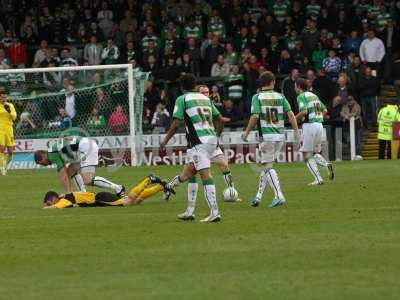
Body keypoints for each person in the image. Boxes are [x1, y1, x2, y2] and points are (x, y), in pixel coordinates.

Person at [160, 74, 225, 223]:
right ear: (195, 85)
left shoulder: (182, 99)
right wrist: (217, 137)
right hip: (210, 141)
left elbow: (176, 124)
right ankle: (189, 211)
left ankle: (215, 212)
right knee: (188, 173)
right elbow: (220, 119)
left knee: (205, 175)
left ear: (181, 87)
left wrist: (165, 140)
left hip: (198, 142)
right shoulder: (206, 99)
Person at [241, 71, 299, 208]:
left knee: (267, 166)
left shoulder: (257, 97)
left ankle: (279, 195)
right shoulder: (280, 96)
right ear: (273, 82)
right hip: (280, 135)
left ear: (261, 84)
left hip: (267, 136)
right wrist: (296, 131)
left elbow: (255, 116)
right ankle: (258, 196)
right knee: (266, 165)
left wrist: (246, 132)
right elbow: (291, 115)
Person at [34, 137, 125, 196]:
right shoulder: (52, 150)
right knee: (70, 171)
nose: (44, 165)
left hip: (86, 149)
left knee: (88, 180)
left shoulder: (51, 155)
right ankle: (83, 194)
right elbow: (66, 172)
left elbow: (63, 176)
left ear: (42, 157)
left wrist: (67, 194)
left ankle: (118, 188)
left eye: (41, 163)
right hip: (81, 150)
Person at [42, 175, 174, 208]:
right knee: (135, 200)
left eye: (49, 203)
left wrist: (46, 208)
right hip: (99, 197)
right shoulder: (66, 197)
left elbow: (57, 207)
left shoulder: (64, 200)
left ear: (53, 199)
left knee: (127, 202)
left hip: (100, 198)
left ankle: (148, 179)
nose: (50, 205)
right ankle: (160, 187)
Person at [295, 78, 334, 186]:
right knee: (314, 153)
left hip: (310, 125)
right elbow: (325, 110)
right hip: (320, 125)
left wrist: (294, 118)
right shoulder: (314, 96)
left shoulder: (301, 96)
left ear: (298, 86)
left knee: (306, 154)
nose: (295, 88)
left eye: (295, 86)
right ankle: (326, 165)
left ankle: (318, 179)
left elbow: (304, 111)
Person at [0, 87, 17, 175]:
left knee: (10, 151)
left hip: (9, 129)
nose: (4, 99)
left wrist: (9, 111)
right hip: (0, 130)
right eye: (2, 97)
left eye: (5, 97)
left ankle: (4, 165)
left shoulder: (10, 105)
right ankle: (2, 168)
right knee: (1, 149)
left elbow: (14, 117)